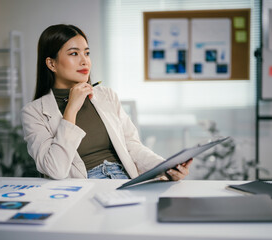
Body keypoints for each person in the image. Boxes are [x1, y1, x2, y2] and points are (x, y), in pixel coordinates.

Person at [21, 24, 192, 180]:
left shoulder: (106, 95)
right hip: (83, 187)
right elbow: (55, 170)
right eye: (74, 53)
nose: (84, 61)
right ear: (51, 63)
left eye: (86, 53)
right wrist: (71, 110)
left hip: (124, 180)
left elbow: (132, 146)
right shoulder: (33, 112)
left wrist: (165, 167)